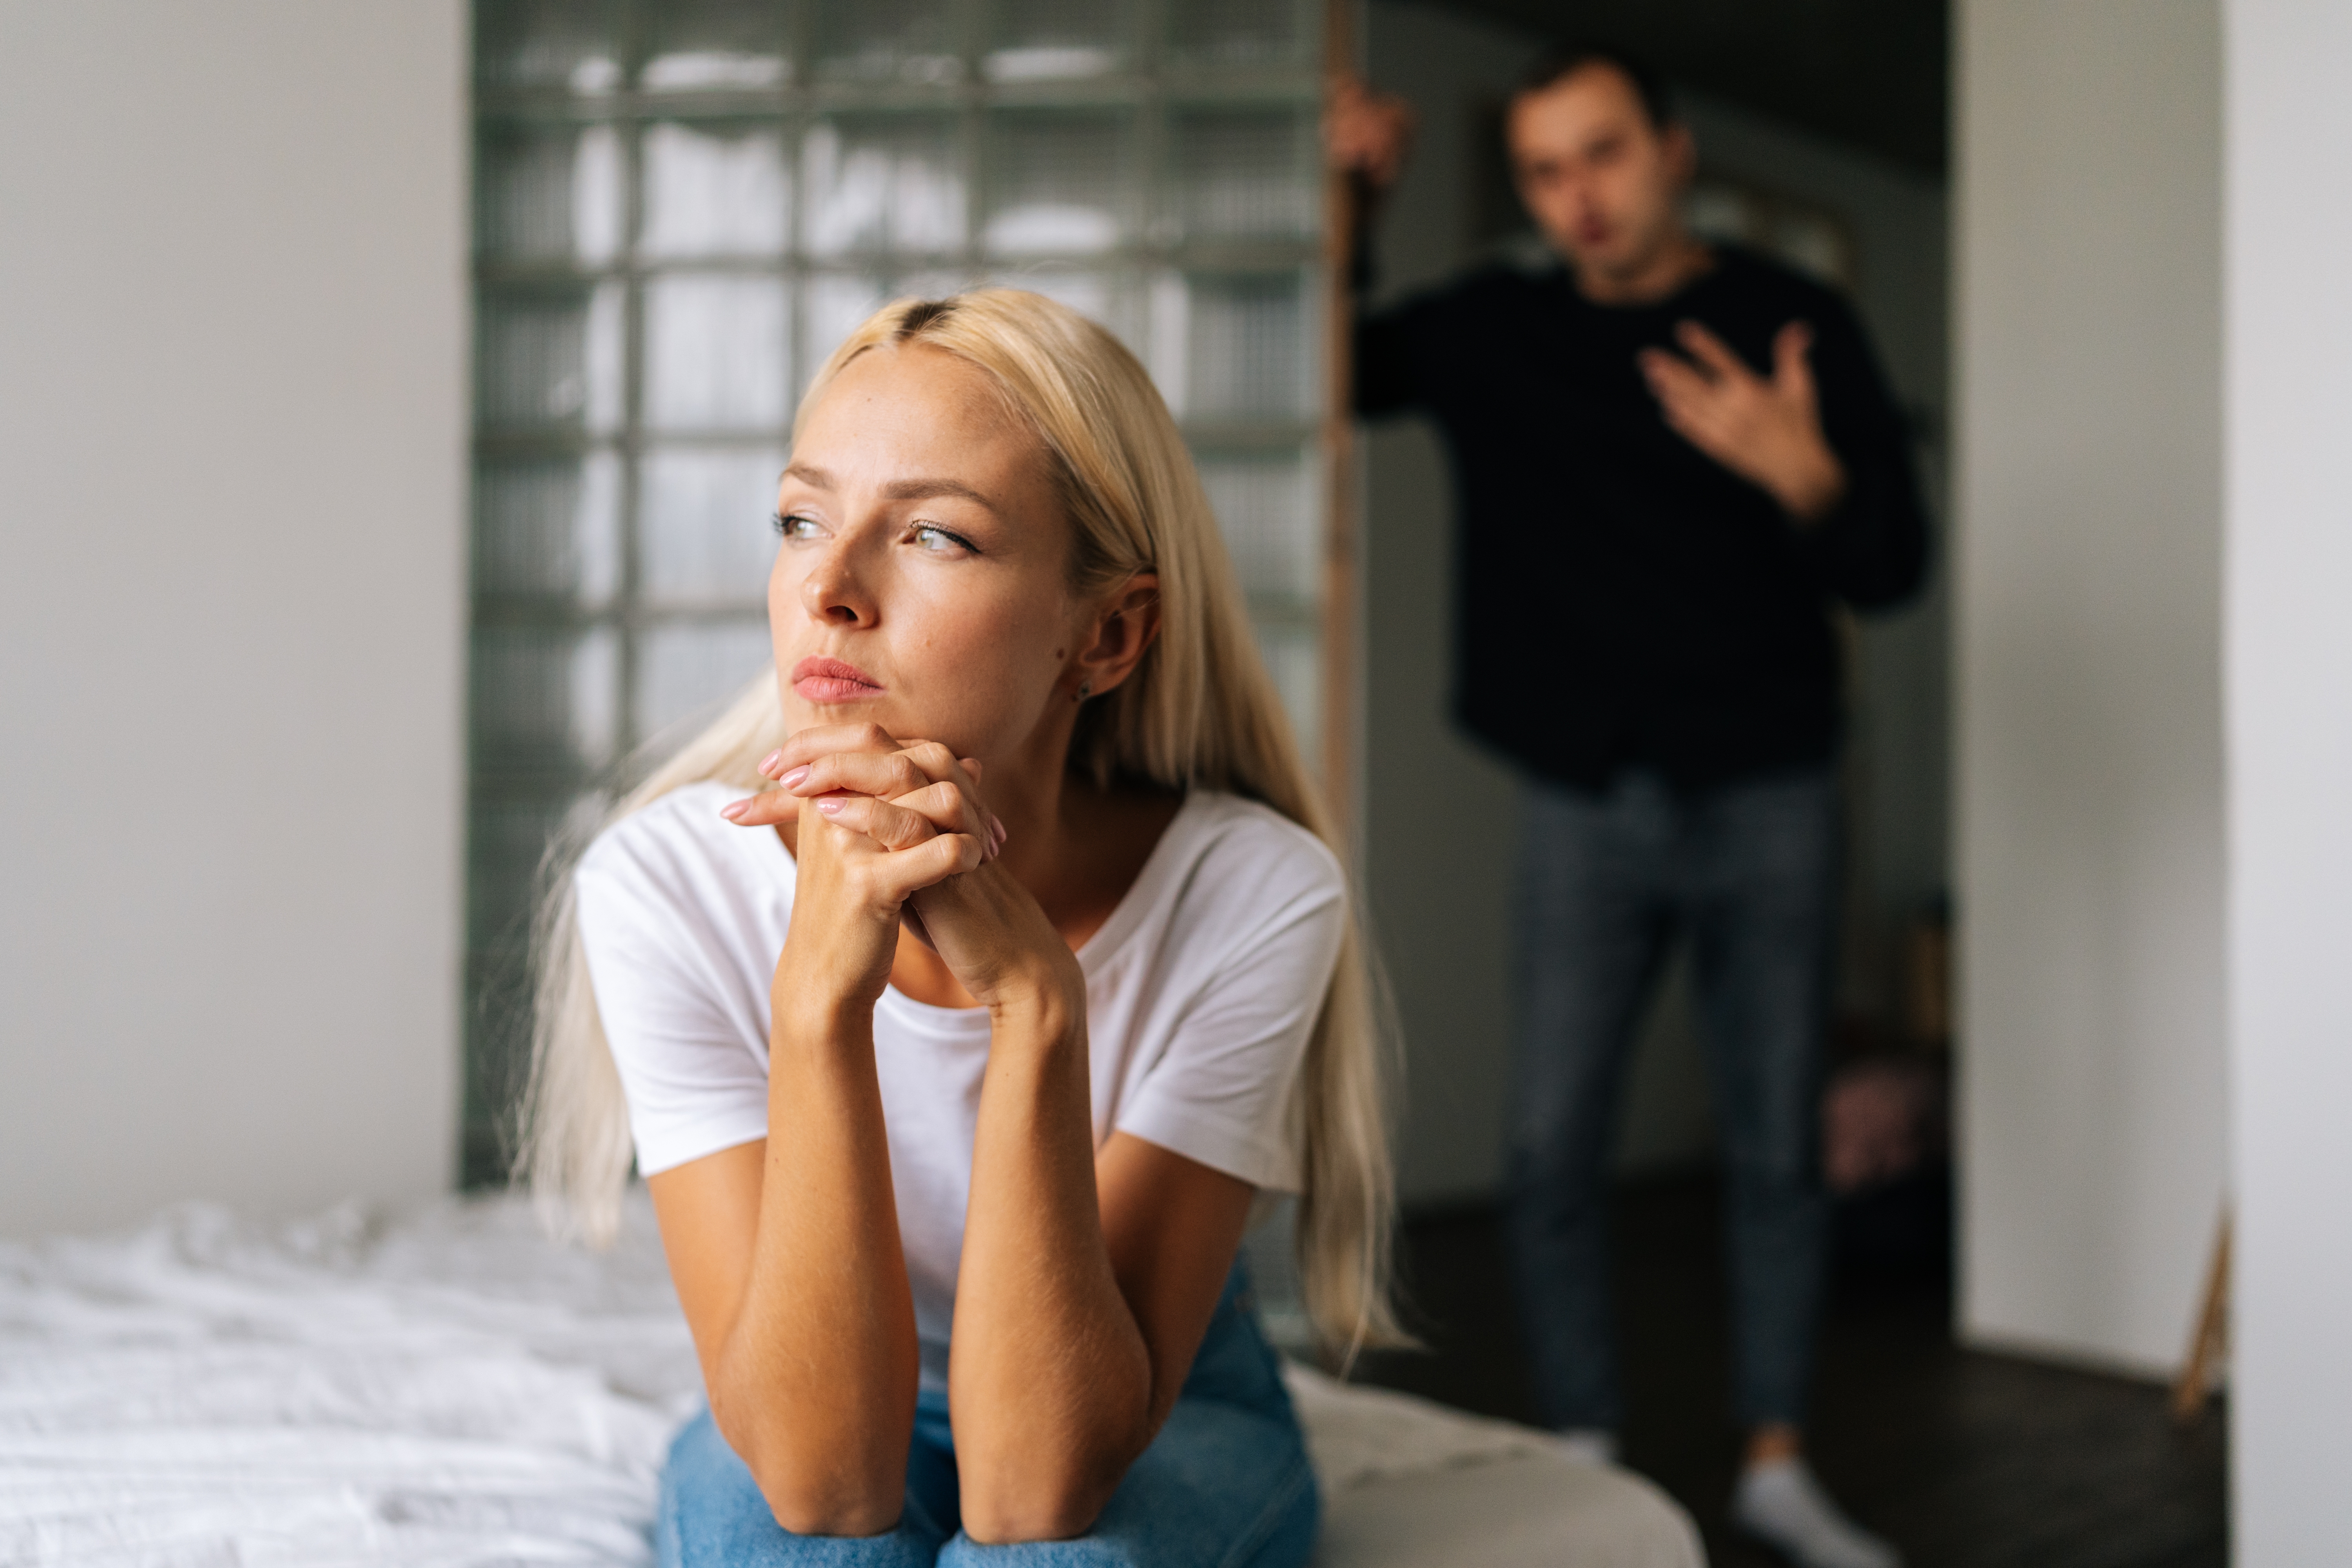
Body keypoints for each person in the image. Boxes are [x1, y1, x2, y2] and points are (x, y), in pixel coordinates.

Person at [518, 289, 1399, 1567]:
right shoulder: (666, 884)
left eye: (933, 534)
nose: (829, 589)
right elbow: (824, 1483)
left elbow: (1036, 1494)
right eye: (800, 519)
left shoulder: (1252, 893)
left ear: (1105, 635)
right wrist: (821, 1002)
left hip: (1150, 1399)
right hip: (817, 1391)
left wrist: (1040, 1008)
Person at [1331, 45, 1927, 1568]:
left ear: (1672, 152)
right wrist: (1351, 195)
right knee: (1546, 1145)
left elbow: (1893, 568)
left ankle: (1778, 1461)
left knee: (1781, 1144)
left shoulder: (1793, 322)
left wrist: (1804, 475)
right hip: (1586, 798)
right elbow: (1337, 365)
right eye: (1544, 169)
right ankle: (1588, 1446)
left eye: (1602, 154)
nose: (1576, 196)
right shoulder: (1496, 328)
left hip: (1777, 787)